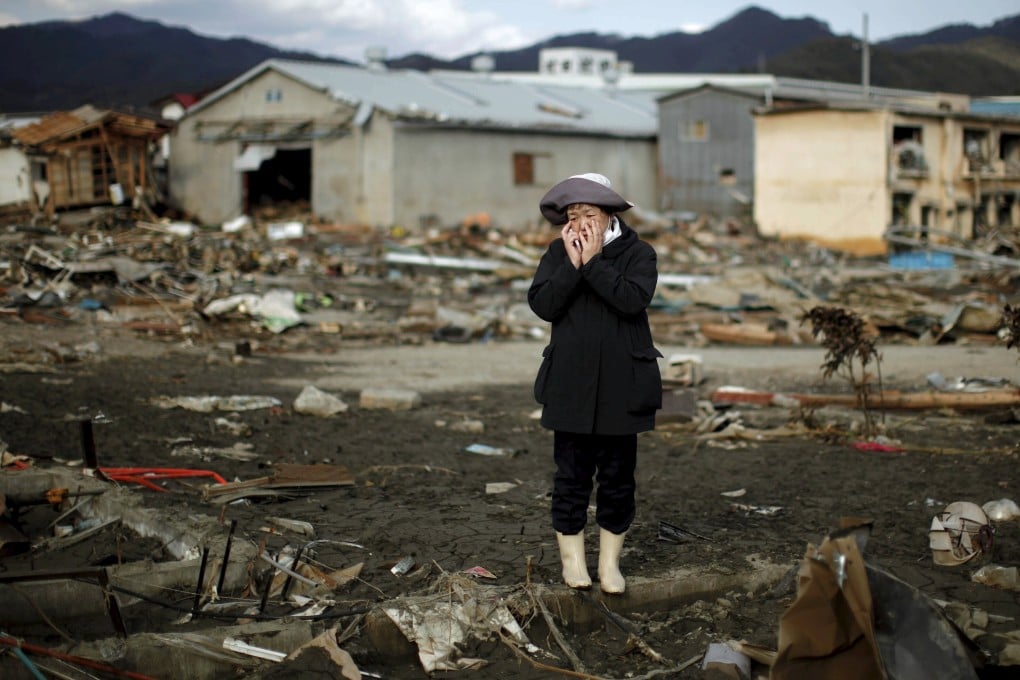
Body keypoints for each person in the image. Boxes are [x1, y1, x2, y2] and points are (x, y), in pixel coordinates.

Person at [528, 172, 663, 594]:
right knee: (570, 477)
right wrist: (571, 263)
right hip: (570, 384)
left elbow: (630, 300)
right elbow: (544, 305)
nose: (579, 222)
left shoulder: (639, 254)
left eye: (588, 212)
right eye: (572, 214)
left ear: (608, 215)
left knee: (619, 478)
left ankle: (609, 566)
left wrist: (594, 262)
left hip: (623, 386)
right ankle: (573, 562)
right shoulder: (557, 253)